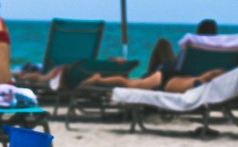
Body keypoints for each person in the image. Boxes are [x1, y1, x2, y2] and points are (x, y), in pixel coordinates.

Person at [79, 20, 226, 93]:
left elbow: (182, 63)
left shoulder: (194, 47)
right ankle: (148, 74)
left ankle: (99, 79)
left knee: (131, 84)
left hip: (170, 73)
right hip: (179, 75)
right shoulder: (218, 52)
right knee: (162, 45)